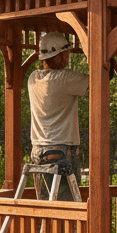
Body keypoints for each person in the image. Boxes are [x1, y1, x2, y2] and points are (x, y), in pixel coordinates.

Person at [27, 31, 89, 200]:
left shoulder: (33, 78)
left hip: (37, 151)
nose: (68, 56)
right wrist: (105, 58)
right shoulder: (65, 79)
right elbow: (101, 79)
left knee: (47, 205)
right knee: (66, 207)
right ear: (58, 55)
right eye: (66, 52)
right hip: (61, 152)